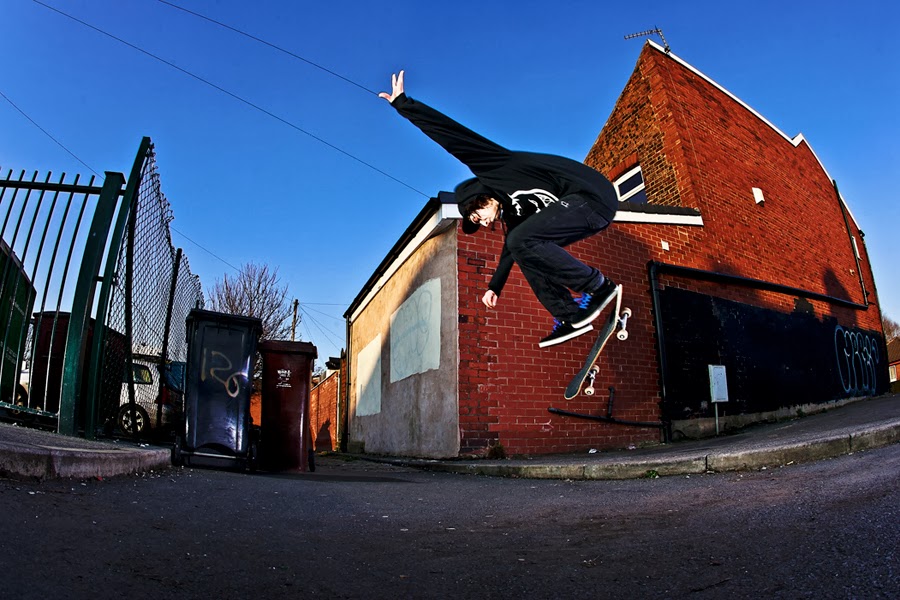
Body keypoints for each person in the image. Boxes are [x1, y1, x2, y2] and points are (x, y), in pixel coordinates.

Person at [380, 71, 619, 348]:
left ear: (481, 199)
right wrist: (495, 285)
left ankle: (599, 286)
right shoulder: (515, 213)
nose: (481, 223)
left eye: (476, 216)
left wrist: (405, 106)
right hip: (587, 214)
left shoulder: (495, 168)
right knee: (523, 248)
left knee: (522, 240)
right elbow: (510, 248)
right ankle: (569, 315)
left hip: (592, 196)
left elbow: (455, 139)